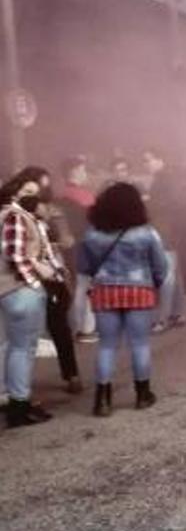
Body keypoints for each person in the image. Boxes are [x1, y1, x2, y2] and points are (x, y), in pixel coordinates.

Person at [78, 183, 169, 416]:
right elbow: (161, 265)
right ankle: (142, 395)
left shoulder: (92, 234)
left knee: (107, 346)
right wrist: (154, 284)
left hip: (104, 292)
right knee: (139, 344)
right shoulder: (147, 232)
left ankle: (102, 401)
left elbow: (85, 267)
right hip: (139, 291)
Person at [0, 172, 63, 427]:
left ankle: (17, 401)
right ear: (15, 192)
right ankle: (19, 405)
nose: (32, 197)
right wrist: (36, 282)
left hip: (12, 291)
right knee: (23, 349)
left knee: (15, 347)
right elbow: (15, 255)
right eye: (27, 192)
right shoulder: (15, 216)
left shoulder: (9, 215)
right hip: (20, 291)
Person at [24, 167, 84, 394]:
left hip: (50, 277)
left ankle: (71, 374)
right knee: (26, 335)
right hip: (28, 278)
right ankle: (19, 388)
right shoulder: (16, 216)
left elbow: (68, 241)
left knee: (57, 326)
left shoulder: (53, 212)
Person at [143, 149, 186, 334]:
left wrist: (147, 201)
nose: (146, 164)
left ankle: (163, 319)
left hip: (165, 232)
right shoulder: (168, 178)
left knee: (166, 276)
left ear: (160, 160)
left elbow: (164, 205)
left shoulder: (163, 180)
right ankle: (177, 313)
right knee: (174, 275)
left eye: (149, 160)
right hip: (172, 231)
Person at [59, 156, 97, 343]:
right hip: (85, 244)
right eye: (83, 170)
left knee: (75, 285)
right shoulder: (84, 196)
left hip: (69, 246)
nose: (85, 174)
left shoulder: (61, 195)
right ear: (73, 172)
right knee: (84, 286)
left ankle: (78, 327)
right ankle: (84, 329)